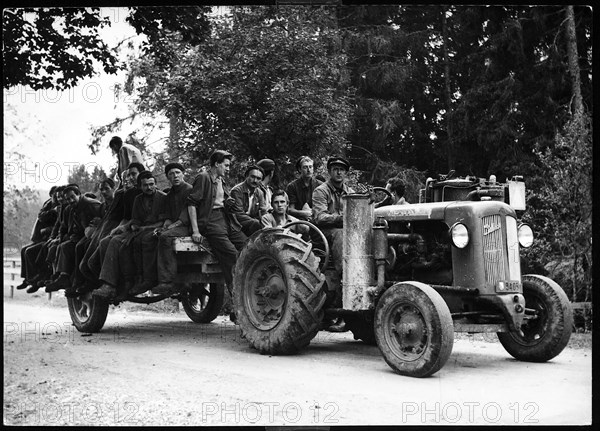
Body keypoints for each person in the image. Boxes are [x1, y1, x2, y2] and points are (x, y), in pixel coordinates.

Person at [154, 150, 247, 295]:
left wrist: (228, 202)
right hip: (211, 222)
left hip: (227, 220)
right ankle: (238, 299)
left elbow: (219, 200)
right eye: (226, 165)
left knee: (247, 246)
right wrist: (196, 231)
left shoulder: (221, 180)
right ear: (217, 164)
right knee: (231, 255)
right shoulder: (203, 178)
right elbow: (192, 204)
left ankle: (250, 289)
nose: (228, 169)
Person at [312, 156, 354, 332]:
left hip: (347, 232)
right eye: (335, 169)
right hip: (325, 234)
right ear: (329, 171)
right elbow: (320, 217)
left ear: (346, 173)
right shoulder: (321, 191)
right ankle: (345, 271)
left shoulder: (350, 192)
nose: (339, 172)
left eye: (342, 169)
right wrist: (341, 218)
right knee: (340, 234)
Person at [45, 184, 103, 296]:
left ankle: (78, 281)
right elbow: (64, 227)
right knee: (64, 246)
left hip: (94, 236)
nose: (71, 200)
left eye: (72, 197)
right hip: (80, 236)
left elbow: (101, 221)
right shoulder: (70, 209)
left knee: (79, 247)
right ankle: (63, 277)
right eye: (68, 199)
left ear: (79, 195)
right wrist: (64, 238)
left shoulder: (91, 204)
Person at [147, 162, 193, 295]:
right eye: (171, 174)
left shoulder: (189, 190)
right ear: (168, 177)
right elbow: (168, 216)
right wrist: (164, 225)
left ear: (183, 174)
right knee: (155, 235)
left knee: (165, 237)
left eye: (177, 173)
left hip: (187, 226)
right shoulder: (170, 194)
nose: (175, 176)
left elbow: (185, 217)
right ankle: (153, 278)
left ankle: (167, 281)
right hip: (176, 226)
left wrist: (168, 229)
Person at [16, 186, 59, 291]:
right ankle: (28, 279)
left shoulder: (61, 207)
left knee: (30, 252)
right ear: (51, 195)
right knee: (23, 250)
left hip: (51, 236)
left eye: (58, 196)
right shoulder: (48, 204)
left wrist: (47, 228)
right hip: (44, 236)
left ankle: (35, 280)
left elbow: (59, 225)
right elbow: (41, 216)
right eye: (54, 196)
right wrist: (51, 213)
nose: (57, 198)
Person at [229, 165, 267, 236]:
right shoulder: (237, 191)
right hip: (236, 225)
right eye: (252, 177)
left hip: (251, 225)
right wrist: (257, 222)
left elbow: (263, 212)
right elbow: (238, 214)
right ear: (246, 176)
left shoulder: (260, 193)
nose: (255, 181)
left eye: (258, 178)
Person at [286, 156, 323, 221]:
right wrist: (303, 213)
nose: (308, 170)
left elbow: (324, 207)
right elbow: (290, 209)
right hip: (298, 220)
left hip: (317, 219)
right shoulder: (292, 186)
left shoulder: (321, 185)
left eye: (310, 167)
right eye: (305, 167)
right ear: (300, 169)